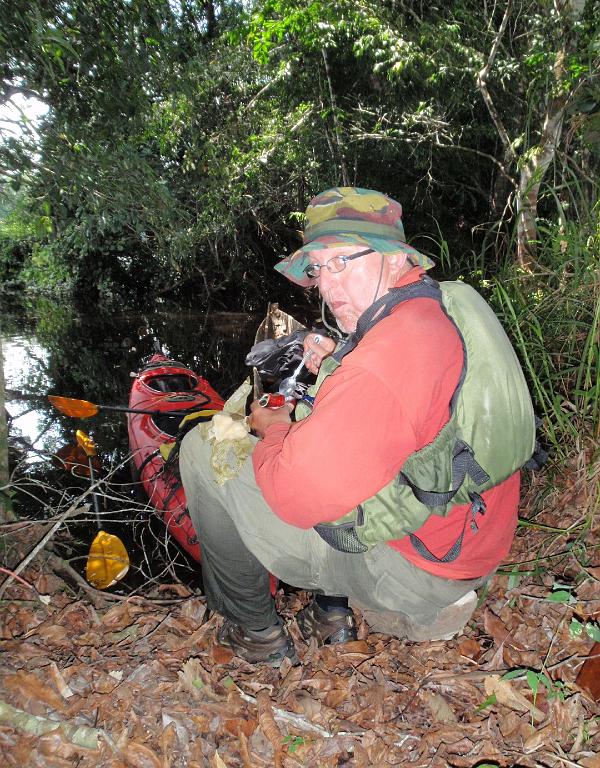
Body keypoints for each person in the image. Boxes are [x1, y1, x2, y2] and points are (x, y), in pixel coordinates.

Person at [179, 187, 536, 666]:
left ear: (392, 259)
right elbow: (403, 415)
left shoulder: (385, 362)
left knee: (202, 453)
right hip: (467, 537)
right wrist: (335, 366)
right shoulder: (433, 307)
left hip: (417, 572)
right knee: (322, 415)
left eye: (343, 262)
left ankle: (255, 631)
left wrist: (274, 428)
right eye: (318, 269)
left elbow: (293, 495)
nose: (328, 286)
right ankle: (329, 616)